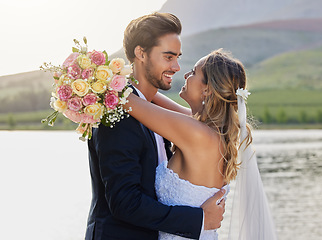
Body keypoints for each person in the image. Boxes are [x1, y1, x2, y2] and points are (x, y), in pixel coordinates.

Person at [85, 12, 226, 240]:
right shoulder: (116, 113)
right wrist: (198, 220)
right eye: (169, 57)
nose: (178, 67)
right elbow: (124, 202)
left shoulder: (155, 114)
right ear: (141, 53)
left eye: (178, 57)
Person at [125, 49, 277, 239]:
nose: (186, 75)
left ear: (207, 89)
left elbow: (127, 100)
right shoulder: (208, 130)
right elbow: (149, 95)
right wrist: (136, 71)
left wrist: (96, 75)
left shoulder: (197, 133)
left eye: (193, 72)